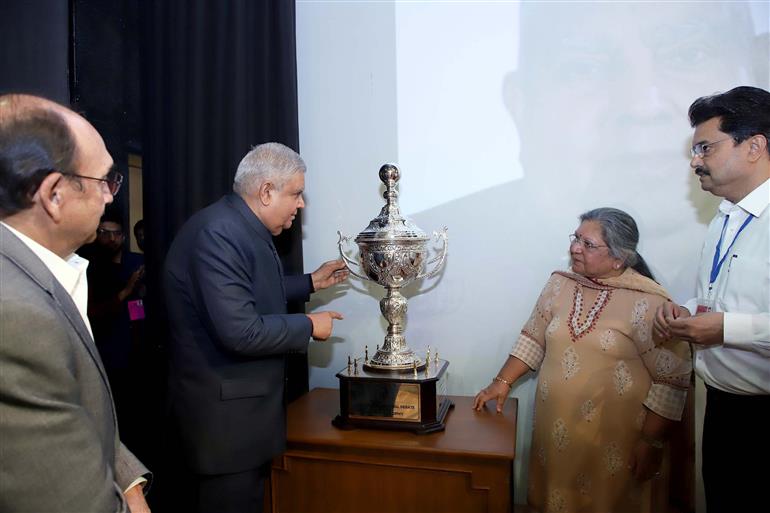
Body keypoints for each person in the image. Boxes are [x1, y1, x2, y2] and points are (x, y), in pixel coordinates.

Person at [164, 142, 348, 513]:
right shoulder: (218, 234)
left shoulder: (238, 226)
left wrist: (311, 282)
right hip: (223, 431)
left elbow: (250, 291)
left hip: (240, 425)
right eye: (296, 194)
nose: (301, 205)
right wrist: (309, 326)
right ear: (266, 191)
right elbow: (240, 330)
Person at [474, 208, 692, 513]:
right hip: (555, 436)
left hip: (616, 442)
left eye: (588, 244)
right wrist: (501, 383)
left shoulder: (652, 303)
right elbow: (533, 338)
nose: (575, 248)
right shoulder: (559, 285)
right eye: (576, 238)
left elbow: (671, 381)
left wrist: (650, 443)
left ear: (619, 257)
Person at [0, 93, 151, 512]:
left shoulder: (43, 270)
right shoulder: (16, 314)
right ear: (54, 194)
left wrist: (129, 480)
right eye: (106, 181)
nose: (109, 197)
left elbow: (82, 410)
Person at [653, 86, 770, 513]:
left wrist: (724, 328)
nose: (695, 160)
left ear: (755, 146)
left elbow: (732, 319)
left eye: (706, 147)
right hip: (722, 404)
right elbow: (716, 296)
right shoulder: (725, 217)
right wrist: (688, 310)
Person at [86, 212, 146, 450]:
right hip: (108, 354)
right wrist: (126, 290)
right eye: (105, 233)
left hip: (138, 350)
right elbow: (92, 312)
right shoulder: (89, 267)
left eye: (116, 233)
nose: (111, 239)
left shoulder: (135, 262)